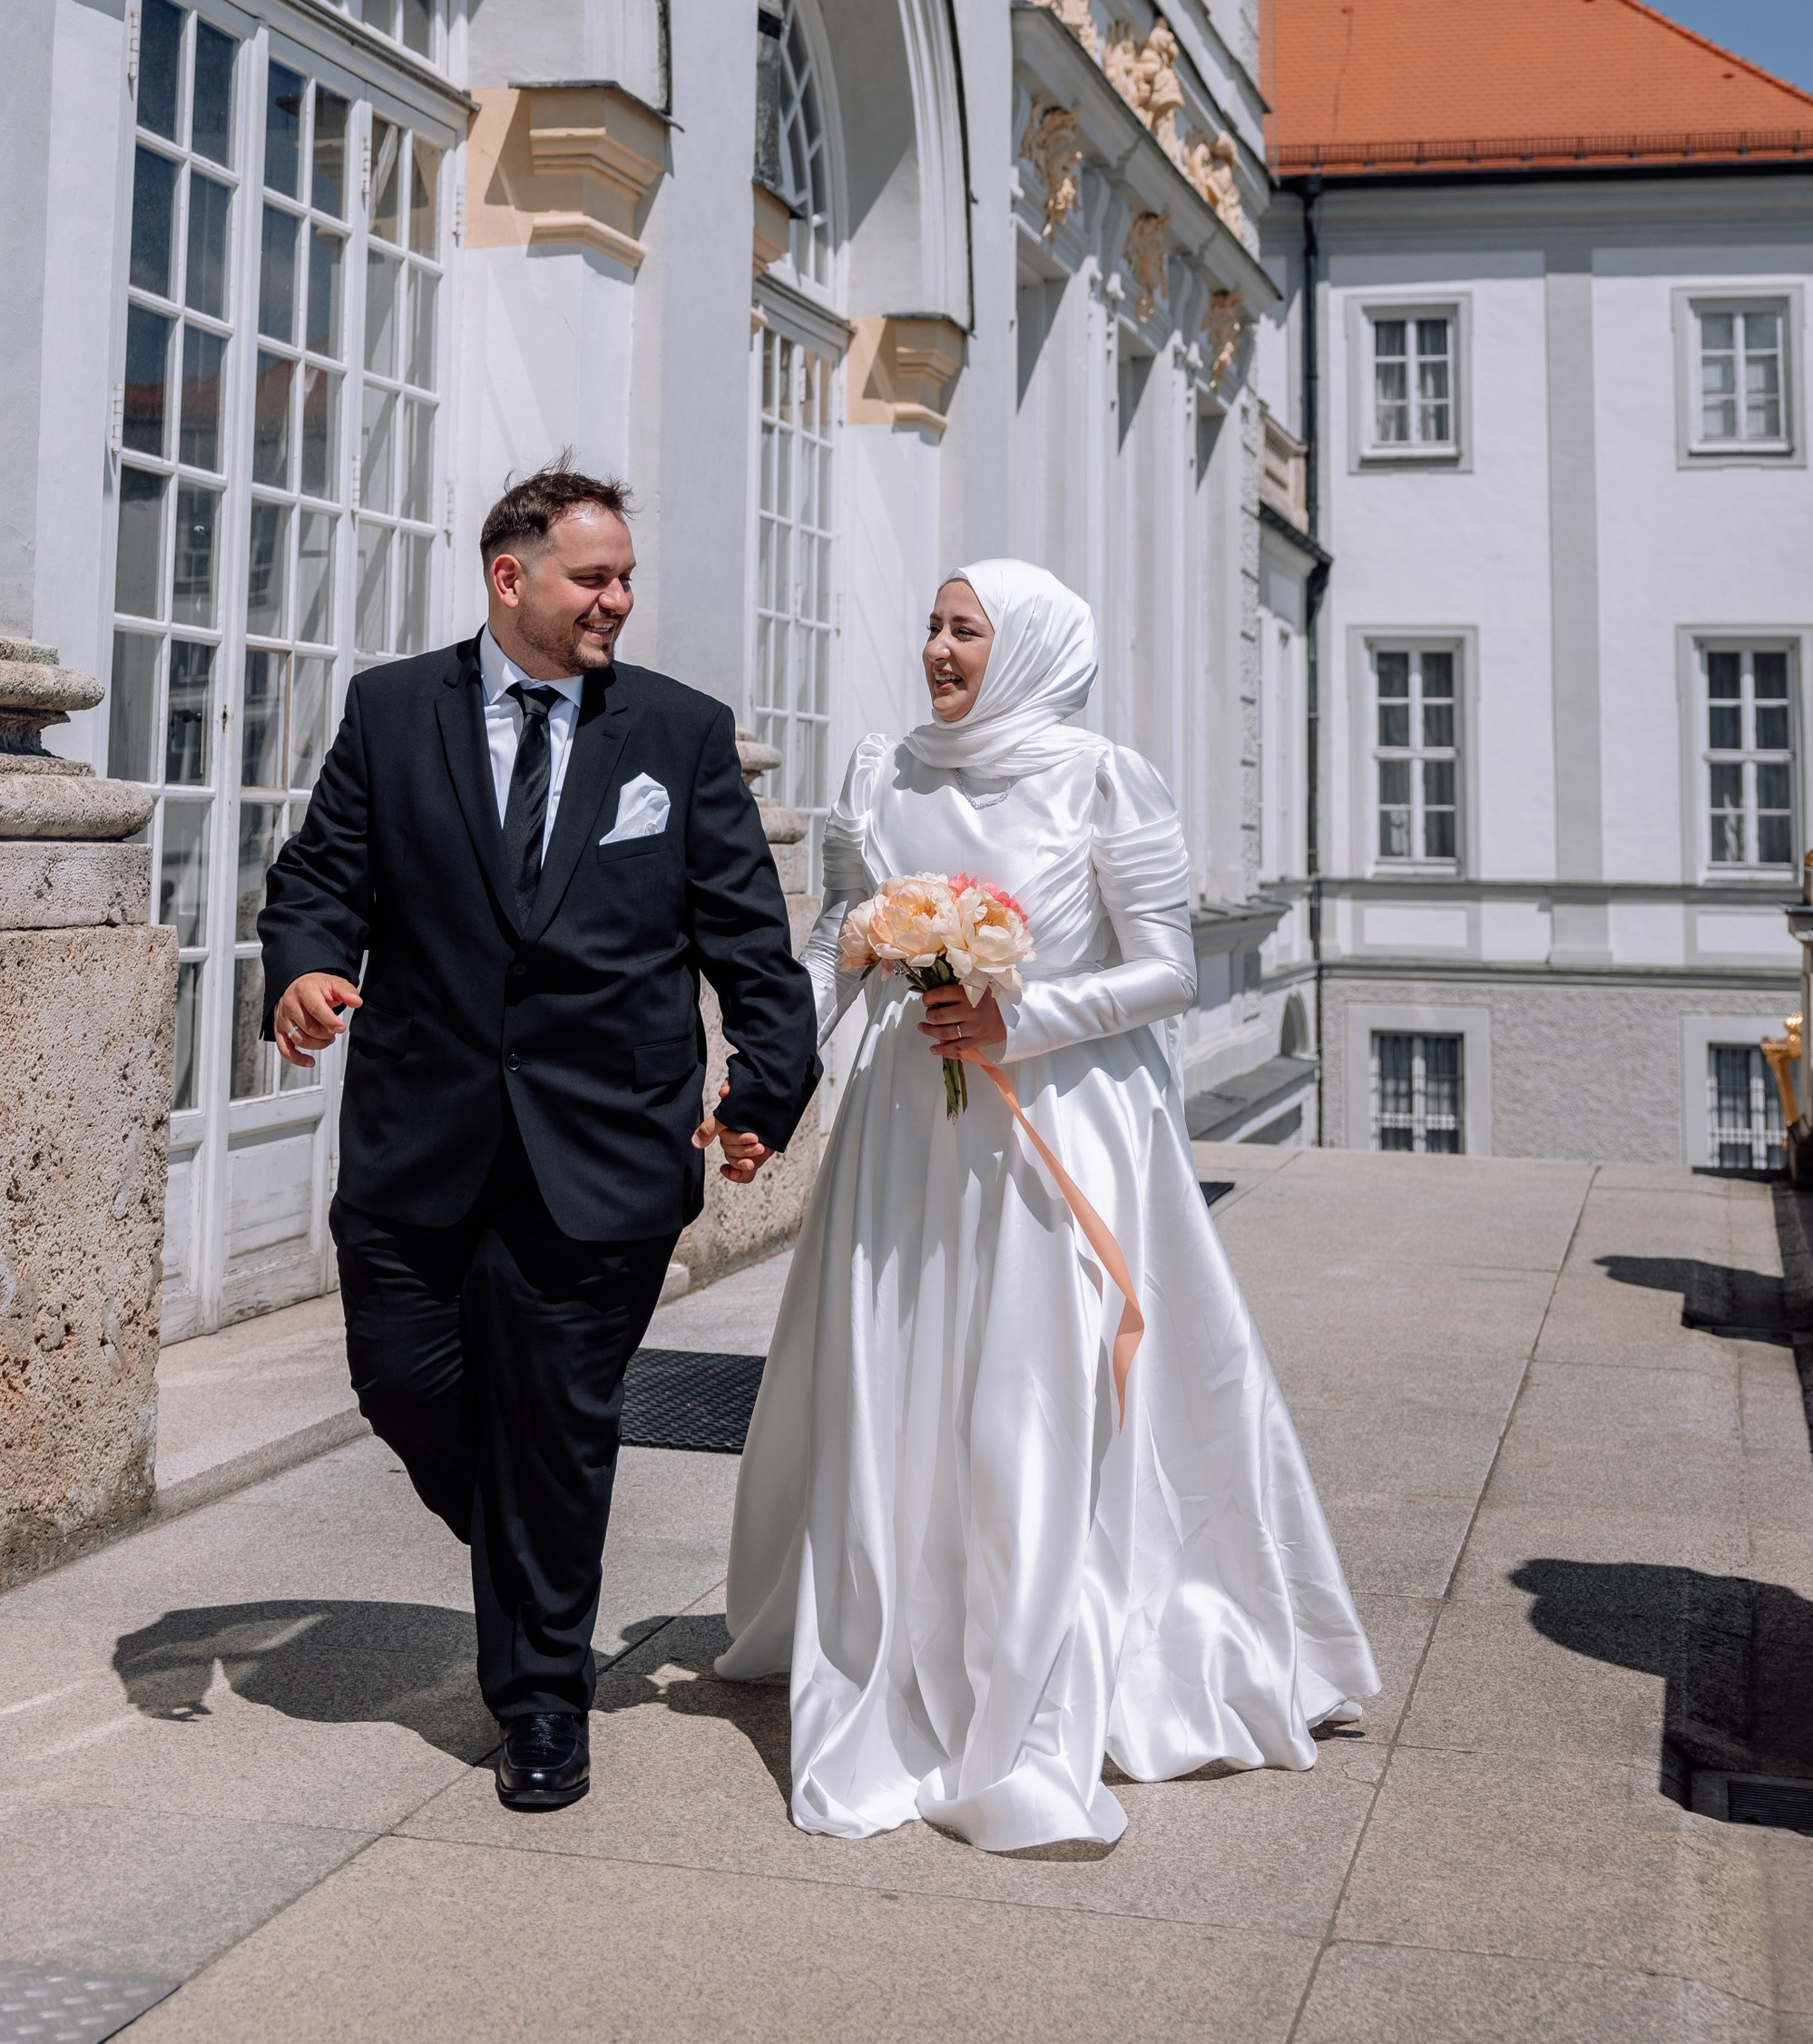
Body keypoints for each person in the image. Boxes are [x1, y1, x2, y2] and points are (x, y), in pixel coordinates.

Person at [718, 557, 1376, 1849]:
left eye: (969, 630)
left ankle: (1037, 1666)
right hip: (910, 1135)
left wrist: (1022, 1018)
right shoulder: (881, 772)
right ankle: (896, 1626)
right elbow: (833, 952)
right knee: (900, 1378)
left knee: (1032, 1392)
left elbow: (1167, 970)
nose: (941, 650)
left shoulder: (1105, 778)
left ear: (1028, 647)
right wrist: (760, 1085)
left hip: (1056, 1129)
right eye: (933, 625)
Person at [260, 465, 819, 1814]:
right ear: (510, 579)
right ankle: (531, 1556)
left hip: (605, 1149)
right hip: (418, 1137)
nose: (618, 600)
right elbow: (321, 872)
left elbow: (749, 936)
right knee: (403, 1381)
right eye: (593, 577)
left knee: (560, 1432)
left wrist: (761, 1094)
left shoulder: (678, 734)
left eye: (625, 576)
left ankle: (542, 1701)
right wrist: (305, 964)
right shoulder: (393, 711)